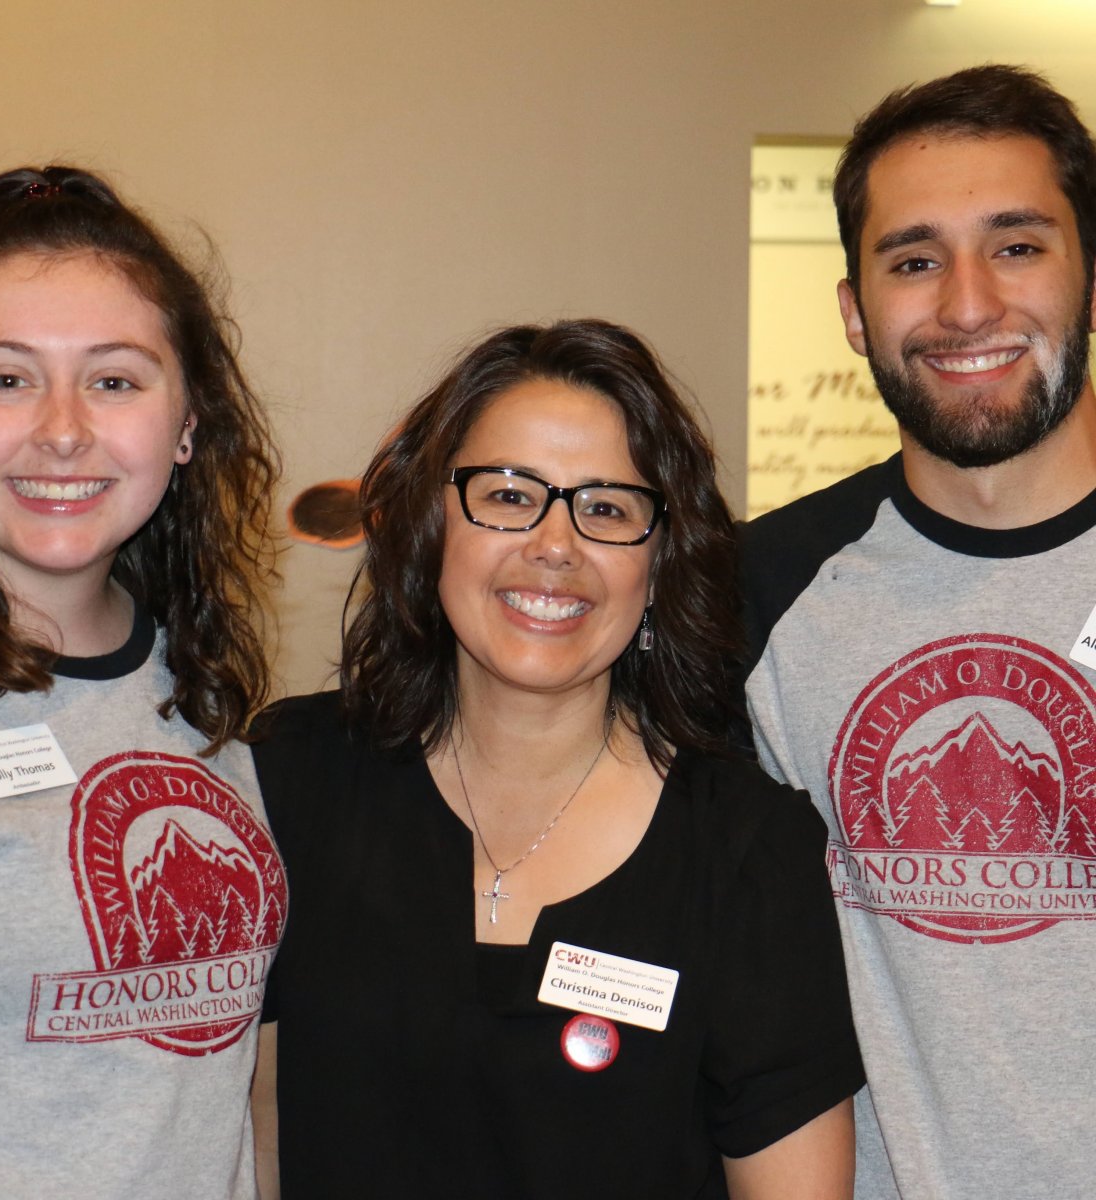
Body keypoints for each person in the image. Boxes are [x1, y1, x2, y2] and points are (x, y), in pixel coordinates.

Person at [254, 318, 863, 1198]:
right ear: (433, 524)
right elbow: (257, 1142)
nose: (555, 544)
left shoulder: (746, 852)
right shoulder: (291, 782)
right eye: (508, 495)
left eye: (607, 508)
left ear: (659, 563)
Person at [0, 166, 289, 1198]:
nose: (64, 429)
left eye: (114, 379)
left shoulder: (196, 681)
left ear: (189, 423)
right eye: (5, 378)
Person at [740, 65, 1096, 1199]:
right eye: (913, 259)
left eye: (1019, 245)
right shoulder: (757, 593)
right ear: (855, 311)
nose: (969, 304)